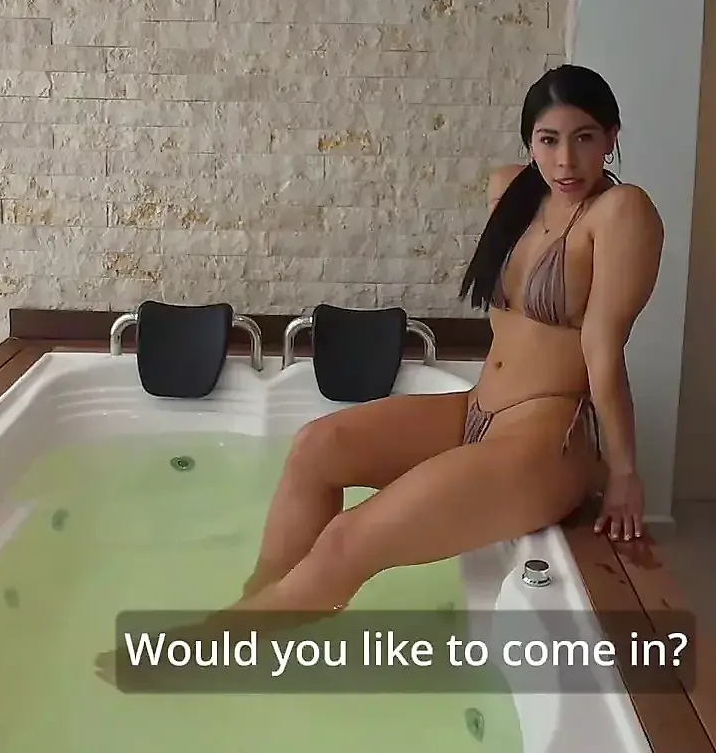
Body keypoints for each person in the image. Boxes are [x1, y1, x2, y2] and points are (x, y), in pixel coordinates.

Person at [97, 65, 663, 678]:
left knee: (349, 540)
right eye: (548, 140)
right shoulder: (513, 192)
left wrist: (625, 473)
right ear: (529, 141)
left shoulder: (621, 212)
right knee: (317, 446)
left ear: (611, 137)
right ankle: (256, 608)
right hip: (479, 410)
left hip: (546, 440)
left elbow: (603, 352)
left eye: (584, 138)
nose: (566, 160)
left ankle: (203, 652)